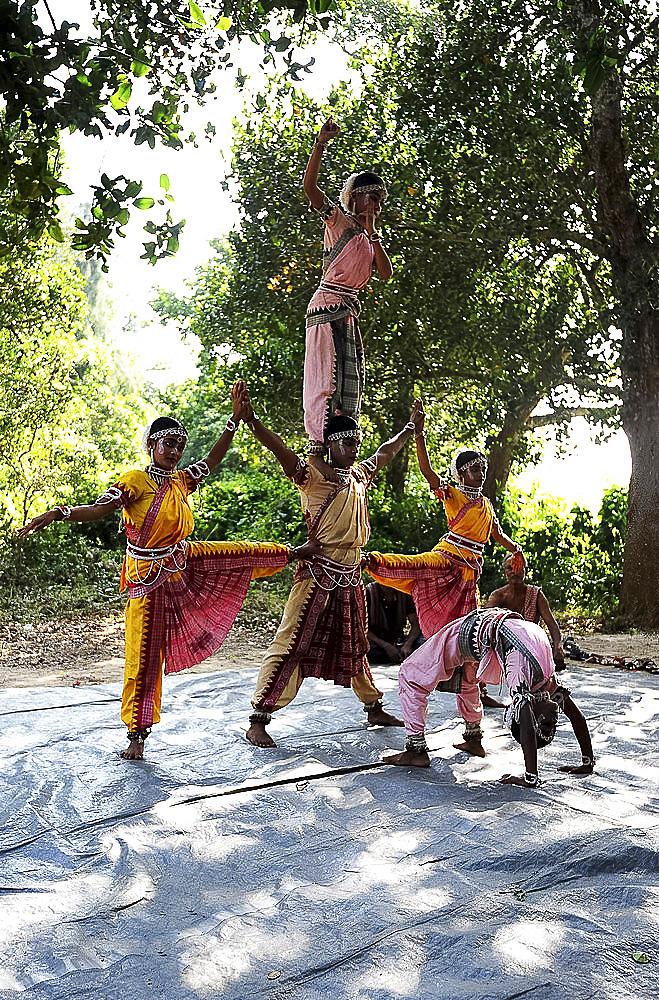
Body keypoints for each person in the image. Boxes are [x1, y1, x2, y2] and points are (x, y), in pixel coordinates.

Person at [18, 383, 312, 760]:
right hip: (148, 579)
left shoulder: (181, 481)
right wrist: (58, 513)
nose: (173, 452)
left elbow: (213, 459)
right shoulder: (134, 481)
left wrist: (233, 423)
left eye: (178, 446)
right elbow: (100, 508)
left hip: (182, 561)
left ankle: (295, 552)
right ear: (151, 446)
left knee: (237, 553)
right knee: (145, 656)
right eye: (167, 444)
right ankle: (136, 734)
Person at [242, 386, 425, 748]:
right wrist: (252, 423)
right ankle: (259, 718)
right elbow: (281, 450)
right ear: (330, 445)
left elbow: (384, 454)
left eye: (357, 443)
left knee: (355, 643)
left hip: (350, 574)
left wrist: (409, 429)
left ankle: (373, 706)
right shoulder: (313, 476)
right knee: (292, 642)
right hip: (318, 574)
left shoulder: (357, 476)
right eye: (347, 443)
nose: (355, 449)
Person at [385, 608, 595, 787]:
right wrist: (587, 762)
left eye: (546, 726)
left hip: (474, 636)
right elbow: (577, 717)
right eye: (552, 728)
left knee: (414, 674)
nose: (554, 721)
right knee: (454, 677)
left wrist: (530, 777)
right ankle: (466, 739)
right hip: (479, 633)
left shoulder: (521, 674)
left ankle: (419, 749)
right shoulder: (546, 685)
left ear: (531, 714)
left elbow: (528, 723)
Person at [366, 410, 523, 642]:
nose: (481, 474)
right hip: (447, 557)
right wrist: (420, 436)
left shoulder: (486, 505)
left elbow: (497, 534)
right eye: (475, 469)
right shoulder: (452, 495)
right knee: (414, 565)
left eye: (483, 469)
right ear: (461, 474)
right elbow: (427, 471)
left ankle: (458, 668)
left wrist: (515, 549)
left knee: (467, 626)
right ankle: (369, 560)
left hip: (469, 572)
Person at [302, 117, 393, 457]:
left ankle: (342, 446)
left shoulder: (371, 238)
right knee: (325, 378)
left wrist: (373, 235)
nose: (376, 205)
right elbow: (311, 190)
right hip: (327, 305)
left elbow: (384, 273)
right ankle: (315, 448)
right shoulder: (337, 219)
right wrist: (320, 144)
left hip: (349, 310)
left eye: (378, 200)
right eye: (370, 197)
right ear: (354, 198)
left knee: (349, 383)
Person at [487, 552, 565, 670]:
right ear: (505, 572)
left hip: (531, 647)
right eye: (510, 568)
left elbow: (552, 624)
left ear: (525, 570)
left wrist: (558, 646)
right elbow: (487, 626)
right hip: (504, 649)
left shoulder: (536, 595)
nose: (514, 571)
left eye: (518, 567)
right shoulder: (498, 596)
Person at [366, 582, 422, 664]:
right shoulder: (369, 592)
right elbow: (363, 629)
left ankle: (401, 655)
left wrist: (408, 645)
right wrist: (387, 646)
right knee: (367, 651)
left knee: (423, 644)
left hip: (399, 640)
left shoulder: (404, 591)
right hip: (377, 642)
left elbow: (415, 624)